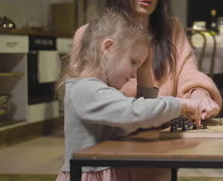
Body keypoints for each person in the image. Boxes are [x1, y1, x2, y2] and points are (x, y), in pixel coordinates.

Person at [71, 0, 222, 120]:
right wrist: (177, 105)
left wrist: (200, 95)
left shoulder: (172, 28)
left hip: (157, 134)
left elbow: (188, 74)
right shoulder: (88, 35)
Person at [56, 10, 201, 181]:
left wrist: (145, 69)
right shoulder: (84, 89)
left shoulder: (104, 90)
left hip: (107, 170)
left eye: (137, 66)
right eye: (133, 62)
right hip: (93, 174)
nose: (134, 73)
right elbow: (135, 113)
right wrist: (178, 104)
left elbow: (144, 116)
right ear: (108, 47)